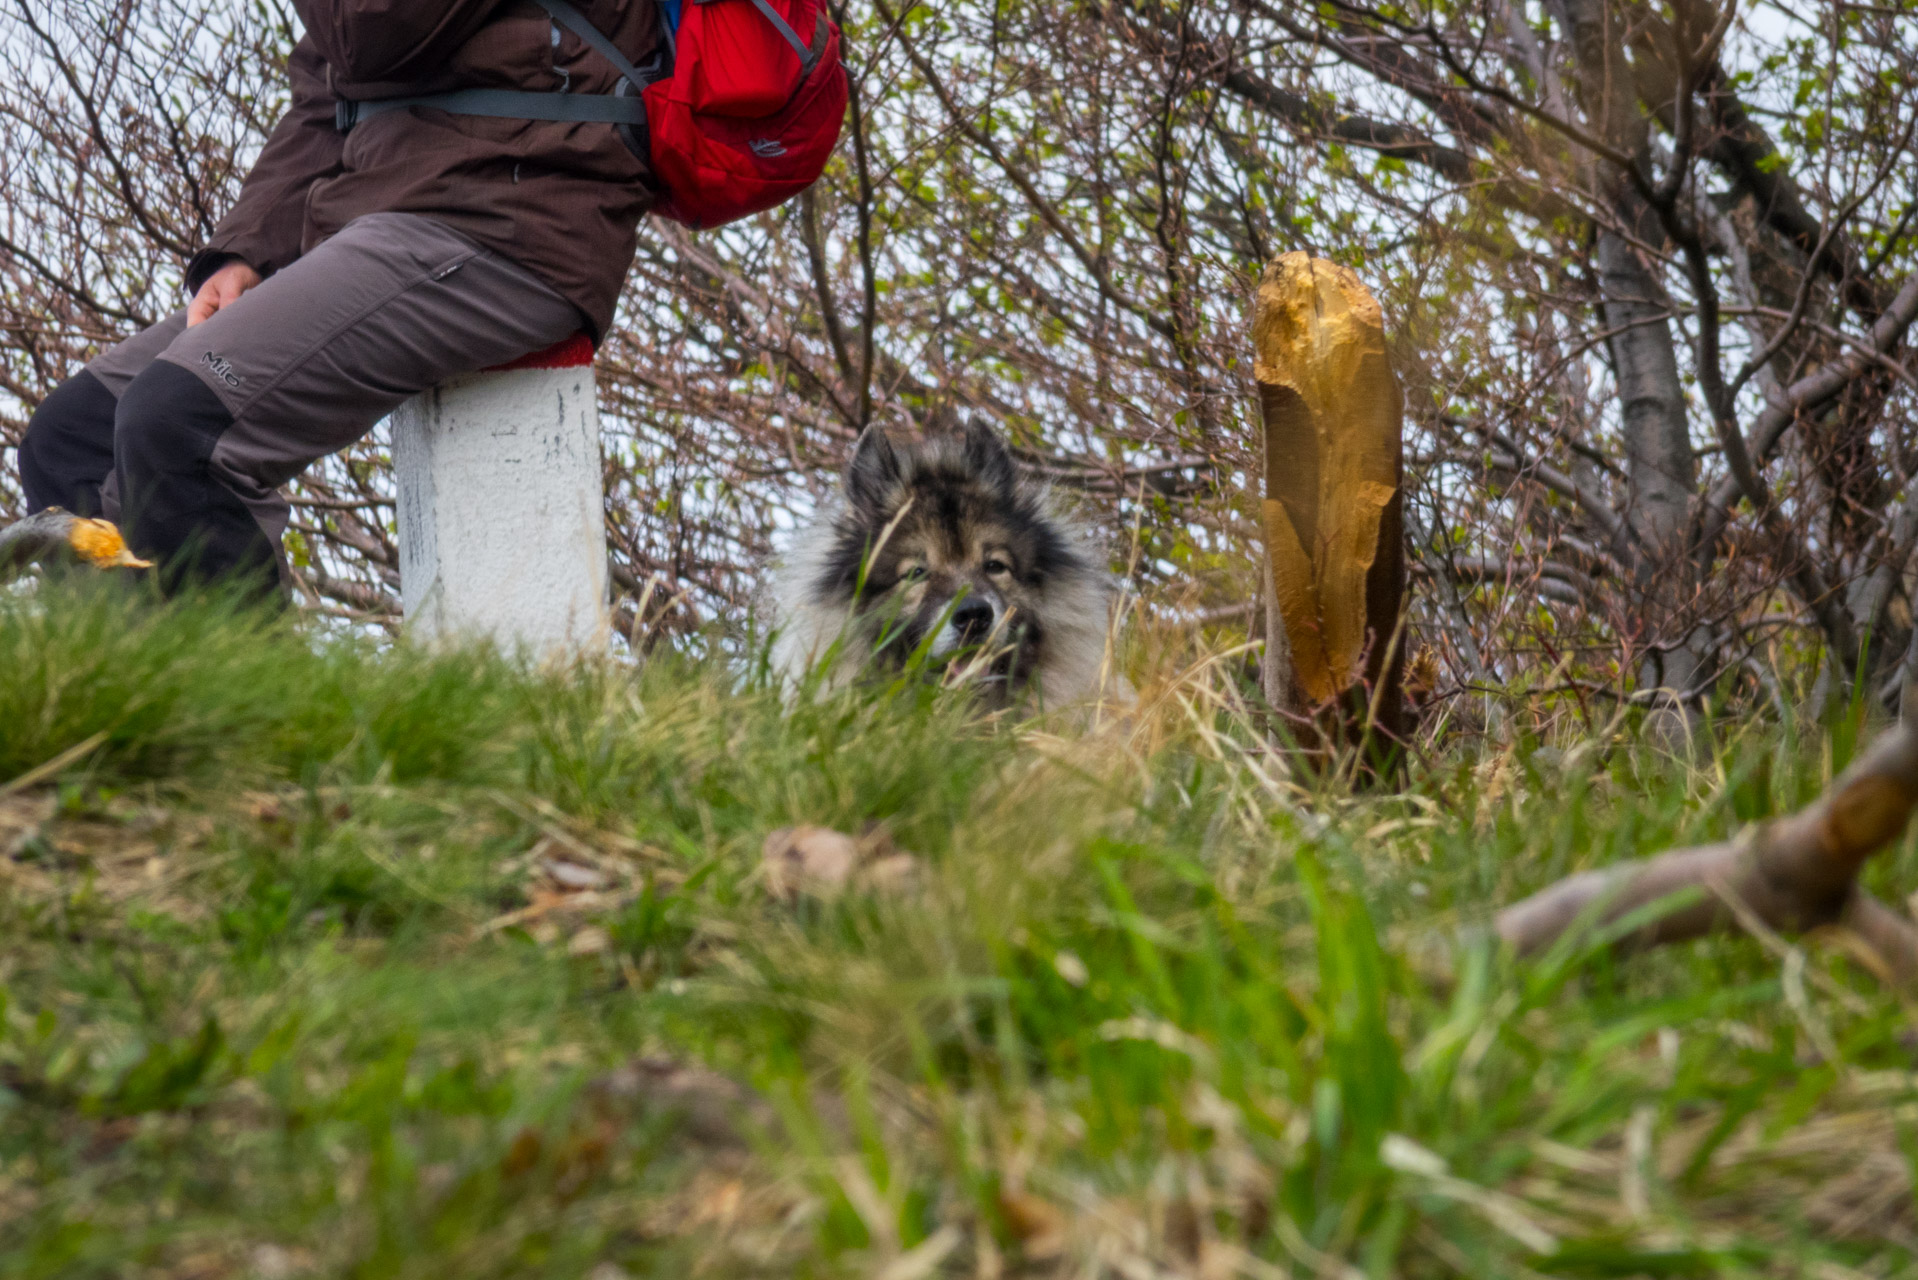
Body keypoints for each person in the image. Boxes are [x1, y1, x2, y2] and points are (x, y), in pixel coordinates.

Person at [16, 1, 666, 593]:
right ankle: (117, 703)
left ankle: (242, 717)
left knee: (180, 421)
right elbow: (330, 92)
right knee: (72, 438)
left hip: (512, 213)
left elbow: (369, 26)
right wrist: (247, 248)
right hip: (400, 208)